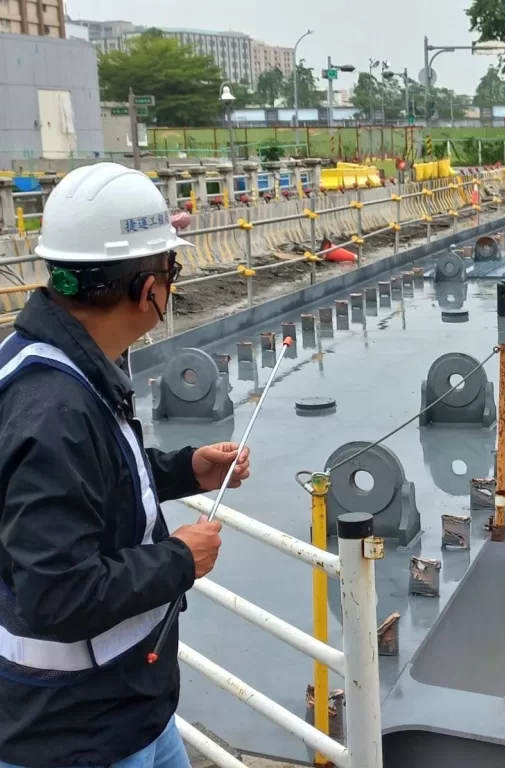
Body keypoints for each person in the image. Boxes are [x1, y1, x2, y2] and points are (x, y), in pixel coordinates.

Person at [0, 163, 252, 768]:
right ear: (148, 291)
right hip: (74, 735)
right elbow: (55, 597)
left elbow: (99, 478)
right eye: (172, 272)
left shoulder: (54, 364)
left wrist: (186, 469)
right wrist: (178, 559)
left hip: (128, 709)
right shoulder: (54, 412)